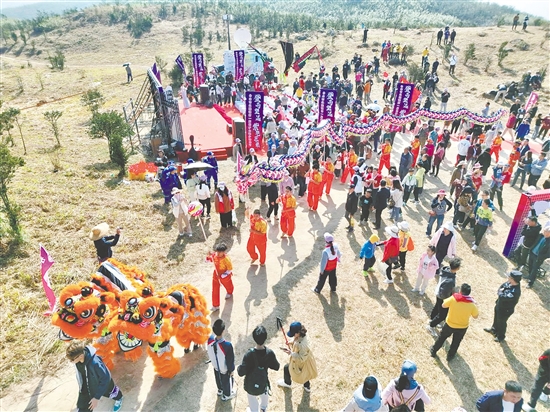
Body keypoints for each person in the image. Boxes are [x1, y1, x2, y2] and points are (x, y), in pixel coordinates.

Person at [66, 339, 124, 412]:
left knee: (111, 392)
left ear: (80, 356)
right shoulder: (77, 362)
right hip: (87, 385)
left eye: (72, 360)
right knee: (82, 406)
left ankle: (119, 398)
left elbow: (106, 378)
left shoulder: (95, 363)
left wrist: (96, 397)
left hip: (101, 384)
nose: (71, 361)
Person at [430, 283, 479, 361]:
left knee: (442, 338)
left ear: (460, 291)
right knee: (456, 342)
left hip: (450, 324)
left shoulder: (454, 299)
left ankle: (434, 350)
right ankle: (450, 356)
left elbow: (443, 305)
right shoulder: (472, 304)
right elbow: (475, 316)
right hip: (462, 327)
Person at [237, 326, 280, 412]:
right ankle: (263, 409)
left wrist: (239, 368)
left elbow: (241, 372)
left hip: (250, 384)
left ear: (254, 338)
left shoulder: (249, 354)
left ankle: (254, 410)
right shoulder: (269, 353)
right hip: (263, 382)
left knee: (252, 399)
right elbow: (276, 367)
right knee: (264, 396)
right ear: (265, 337)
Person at [277, 322, 318, 392]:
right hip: (306, 359)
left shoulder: (302, 345)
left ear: (298, 333)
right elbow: (296, 339)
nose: (293, 336)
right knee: (305, 373)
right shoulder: (302, 334)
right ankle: (307, 386)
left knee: (287, 368)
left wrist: (291, 353)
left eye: (293, 334)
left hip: (302, 361)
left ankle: (287, 383)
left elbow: (302, 358)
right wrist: (291, 342)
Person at [483, 270, 522, 342]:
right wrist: (500, 291)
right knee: (496, 318)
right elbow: (501, 287)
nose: (508, 278)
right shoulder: (509, 283)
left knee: (502, 322)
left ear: (513, 279)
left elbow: (503, 297)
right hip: (499, 305)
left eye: (509, 277)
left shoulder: (515, 291)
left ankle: (501, 336)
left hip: (505, 310)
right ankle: (494, 329)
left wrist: (500, 292)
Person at [427, 257, 461, 335]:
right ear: (457, 268)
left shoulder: (445, 270)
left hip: (438, 292)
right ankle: (431, 326)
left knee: (437, 307)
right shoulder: (450, 280)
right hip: (443, 297)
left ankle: (432, 319)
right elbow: (446, 292)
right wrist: (448, 299)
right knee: (442, 315)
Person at [207, 319, 237, 401]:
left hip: (215, 366)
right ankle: (227, 395)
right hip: (224, 369)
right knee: (227, 382)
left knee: (218, 378)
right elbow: (230, 360)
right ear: (223, 331)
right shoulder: (227, 345)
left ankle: (220, 390)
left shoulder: (210, 340)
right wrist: (231, 370)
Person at [207, 243, 234, 312]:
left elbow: (230, 269)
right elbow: (208, 261)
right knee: (215, 290)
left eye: (220, 252)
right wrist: (208, 256)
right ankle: (215, 305)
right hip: (216, 274)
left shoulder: (226, 259)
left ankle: (229, 292)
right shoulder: (214, 255)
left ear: (224, 252)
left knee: (228, 285)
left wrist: (223, 275)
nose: (218, 253)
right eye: (217, 252)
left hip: (225, 275)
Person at [525, 224, 550, 288]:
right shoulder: (541, 236)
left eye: (545, 231)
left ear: (549, 233)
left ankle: (530, 282)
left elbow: (548, 254)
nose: (543, 232)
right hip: (532, 253)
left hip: (538, 258)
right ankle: (529, 276)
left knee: (534, 269)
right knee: (530, 265)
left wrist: (541, 257)